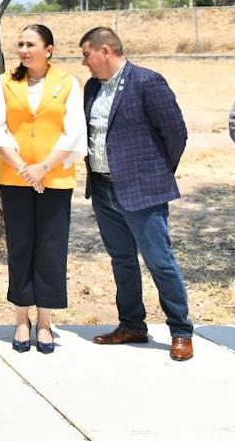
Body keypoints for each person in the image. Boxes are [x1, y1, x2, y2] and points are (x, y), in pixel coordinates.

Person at [79, 27, 195, 361]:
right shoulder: (92, 87)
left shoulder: (146, 81)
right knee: (122, 261)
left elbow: (176, 133)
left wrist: (155, 173)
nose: (84, 62)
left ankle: (181, 331)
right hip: (102, 189)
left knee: (160, 261)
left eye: (86, 54)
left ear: (104, 50)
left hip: (142, 191)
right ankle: (132, 325)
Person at [0, 24, 85, 354]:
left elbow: (73, 132)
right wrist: (25, 169)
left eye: (31, 44)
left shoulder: (67, 83)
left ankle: (44, 322)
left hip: (55, 179)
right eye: (21, 44)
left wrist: (43, 167)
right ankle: (21, 320)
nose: (24, 50)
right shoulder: (5, 82)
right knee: (20, 248)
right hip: (16, 178)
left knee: (51, 249)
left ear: (48, 50)